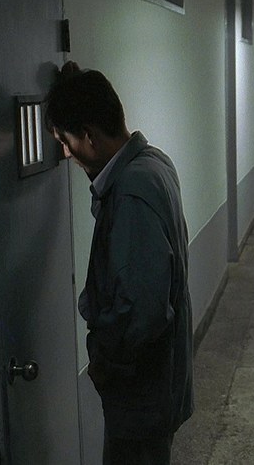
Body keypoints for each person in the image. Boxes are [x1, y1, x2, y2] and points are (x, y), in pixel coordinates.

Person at [44, 61, 193, 465]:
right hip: (156, 384)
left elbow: (140, 311)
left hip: (141, 393)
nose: (66, 153)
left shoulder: (130, 193)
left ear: (89, 136)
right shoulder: (154, 162)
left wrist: (102, 361)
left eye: (66, 140)